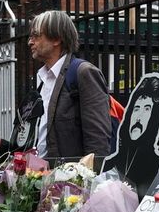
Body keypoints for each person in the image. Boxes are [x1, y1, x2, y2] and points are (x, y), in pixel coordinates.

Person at [24, 10, 112, 164]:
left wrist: (86, 180)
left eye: (36, 36)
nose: (30, 42)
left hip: (71, 182)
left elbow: (98, 140)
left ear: (56, 38)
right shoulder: (43, 79)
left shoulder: (84, 73)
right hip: (41, 177)